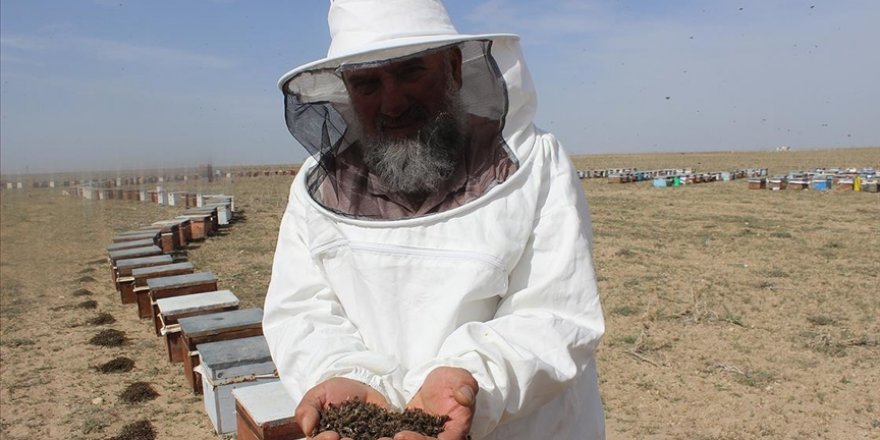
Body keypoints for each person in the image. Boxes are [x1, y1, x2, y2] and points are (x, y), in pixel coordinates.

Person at [263, 1, 606, 439]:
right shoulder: (318, 187)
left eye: (410, 72)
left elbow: (554, 313)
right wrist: (341, 372)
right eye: (367, 83)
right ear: (347, 90)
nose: (392, 102)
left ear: (454, 68)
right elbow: (301, 310)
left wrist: (470, 379)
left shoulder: (537, 164)